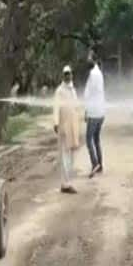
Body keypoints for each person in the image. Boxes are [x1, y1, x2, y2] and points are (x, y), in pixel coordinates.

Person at [53, 65, 82, 194]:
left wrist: (81, 117)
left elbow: (76, 106)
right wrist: (56, 123)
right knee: (65, 155)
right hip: (64, 127)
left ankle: (67, 182)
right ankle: (66, 184)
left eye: (69, 73)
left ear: (72, 74)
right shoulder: (60, 91)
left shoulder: (73, 89)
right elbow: (56, 107)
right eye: (65, 74)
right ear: (63, 76)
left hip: (73, 126)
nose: (68, 76)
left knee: (71, 155)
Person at [83, 51, 106, 177]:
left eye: (89, 58)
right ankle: (100, 165)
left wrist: (86, 111)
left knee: (88, 139)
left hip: (94, 112)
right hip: (101, 112)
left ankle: (95, 163)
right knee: (96, 139)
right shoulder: (99, 73)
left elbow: (89, 94)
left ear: (94, 60)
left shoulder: (93, 74)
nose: (87, 60)